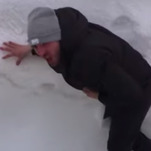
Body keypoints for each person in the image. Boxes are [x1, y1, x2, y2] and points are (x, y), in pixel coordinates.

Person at [0, 7, 151, 151]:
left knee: (117, 145)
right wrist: (29, 48)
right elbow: (48, 42)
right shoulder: (69, 32)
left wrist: (99, 96)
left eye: (44, 44)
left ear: (58, 37)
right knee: (124, 129)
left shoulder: (90, 58)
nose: (40, 52)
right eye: (36, 45)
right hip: (121, 81)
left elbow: (133, 99)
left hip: (139, 87)